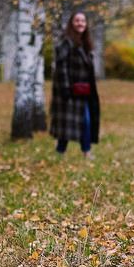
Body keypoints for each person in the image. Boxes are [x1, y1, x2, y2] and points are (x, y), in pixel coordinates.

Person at [50, 12, 100, 158]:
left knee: (76, 122)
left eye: (83, 21)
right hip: (69, 91)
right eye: (77, 20)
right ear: (71, 23)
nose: (80, 23)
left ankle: (67, 151)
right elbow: (62, 66)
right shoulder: (66, 42)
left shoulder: (85, 44)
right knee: (74, 122)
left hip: (82, 91)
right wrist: (65, 88)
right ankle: (82, 151)